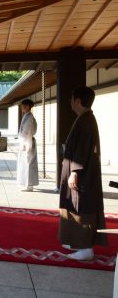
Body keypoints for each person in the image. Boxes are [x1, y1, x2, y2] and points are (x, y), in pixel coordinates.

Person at [58, 86, 106, 261]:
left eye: (72, 99)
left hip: (81, 174)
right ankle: (77, 242)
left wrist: (75, 172)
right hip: (81, 172)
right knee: (76, 205)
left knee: (81, 207)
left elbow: (83, 149)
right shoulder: (85, 119)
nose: (70, 102)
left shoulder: (86, 121)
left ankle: (85, 248)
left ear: (77, 101)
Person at [16, 99, 39, 192]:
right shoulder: (27, 116)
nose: (22, 107)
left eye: (23, 106)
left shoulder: (29, 117)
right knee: (26, 163)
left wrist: (26, 144)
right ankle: (27, 183)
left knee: (28, 163)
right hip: (26, 140)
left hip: (27, 141)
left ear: (27, 106)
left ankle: (29, 185)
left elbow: (27, 132)